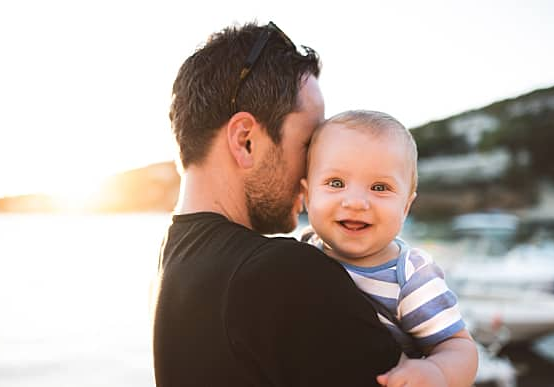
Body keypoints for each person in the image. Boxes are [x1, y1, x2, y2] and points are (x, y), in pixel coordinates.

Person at [152, 22, 401, 387]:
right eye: (309, 145)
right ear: (246, 140)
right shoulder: (283, 273)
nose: (316, 173)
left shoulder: (171, 264)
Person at [300, 110, 479, 387]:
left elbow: (458, 346)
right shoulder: (302, 251)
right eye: (336, 183)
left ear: (406, 207)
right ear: (308, 195)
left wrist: (437, 372)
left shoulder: (410, 275)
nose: (357, 202)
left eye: (380, 187)